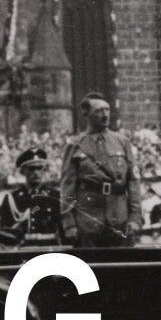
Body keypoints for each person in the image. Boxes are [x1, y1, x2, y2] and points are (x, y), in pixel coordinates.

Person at [60, 94, 140, 246]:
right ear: (86, 114)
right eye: (99, 111)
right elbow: (67, 186)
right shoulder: (75, 145)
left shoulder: (122, 142)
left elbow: (133, 182)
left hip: (119, 218)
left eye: (107, 110)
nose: (105, 115)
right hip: (87, 220)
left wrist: (135, 217)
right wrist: (69, 223)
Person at [0, 146, 63, 243]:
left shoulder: (55, 196)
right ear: (23, 171)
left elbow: (62, 228)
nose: (36, 173)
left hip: (49, 248)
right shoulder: (12, 199)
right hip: (21, 250)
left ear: (44, 170)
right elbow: (4, 229)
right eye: (31, 169)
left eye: (39, 168)